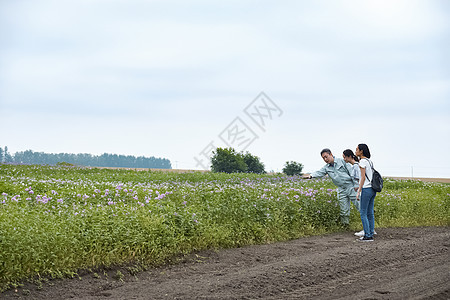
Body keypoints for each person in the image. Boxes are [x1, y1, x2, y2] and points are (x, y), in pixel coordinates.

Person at [302, 148, 359, 228]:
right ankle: (345, 226)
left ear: (331, 154)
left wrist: (356, 185)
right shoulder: (327, 168)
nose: (325, 159)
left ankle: (368, 228)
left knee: (359, 205)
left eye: (326, 156)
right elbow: (319, 172)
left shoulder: (342, 161)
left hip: (351, 187)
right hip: (341, 189)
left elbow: (352, 173)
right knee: (343, 210)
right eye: (323, 158)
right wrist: (311, 176)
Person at [356, 143, 377, 242]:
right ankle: (371, 232)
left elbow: (363, 178)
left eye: (357, 149)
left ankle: (367, 236)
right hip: (373, 189)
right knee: (370, 213)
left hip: (366, 189)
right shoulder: (370, 161)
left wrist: (358, 191)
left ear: (361, 151)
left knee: (363, 212)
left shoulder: (362, 162)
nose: (355, 151)